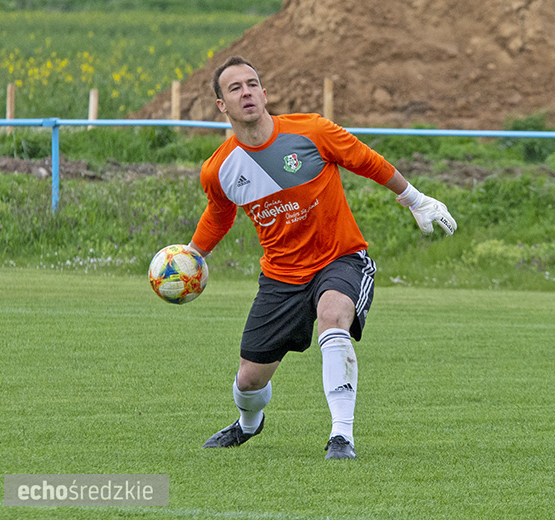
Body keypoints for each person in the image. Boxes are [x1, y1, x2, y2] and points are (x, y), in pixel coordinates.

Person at [188, 56, 457, 459]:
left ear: (265, 93)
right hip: (281, 277)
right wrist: (191, 257)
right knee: (248, 381)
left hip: (341, 258)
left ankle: (341, 437)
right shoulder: (220, 169)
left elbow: (366, 159)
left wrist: (415, 199)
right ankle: (248, 424)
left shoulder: (310, 131)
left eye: (252, 84)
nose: (246, 92)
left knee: (333, 318)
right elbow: (219, 215)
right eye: (234, 88)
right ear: (221, 106)